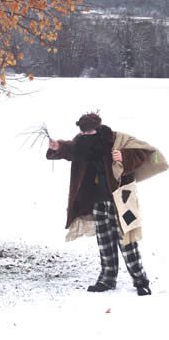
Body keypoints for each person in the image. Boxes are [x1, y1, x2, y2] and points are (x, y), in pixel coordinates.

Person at [46, 112, 168, 296]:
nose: (86, 135)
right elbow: (72, 150)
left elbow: (144, 152)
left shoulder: (117, 139)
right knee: (104, 240)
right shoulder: (81, 142)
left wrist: (124, 157)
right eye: (84, 132)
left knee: (126, 239)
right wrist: (59, 147)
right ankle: (107, 279)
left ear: (97, 128)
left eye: (89, 132)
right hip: (96, 199)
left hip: (120, 198)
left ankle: (140, 280)